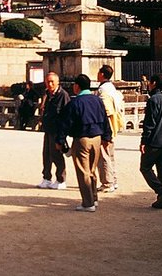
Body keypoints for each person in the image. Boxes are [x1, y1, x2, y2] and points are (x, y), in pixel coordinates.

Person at [56, 73, 112, 212]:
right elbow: (105, 119)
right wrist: (107, 137)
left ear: (77, 86)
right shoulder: (97, 100)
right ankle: (93, 197)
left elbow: (65, 124)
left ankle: (88, 203)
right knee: (92, 170)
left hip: (82, 139)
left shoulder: (75, 103)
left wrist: (60, 140)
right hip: (97, 138)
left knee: (83, 171)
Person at [139, 74, 162, 209]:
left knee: (145, 167)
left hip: (154, 141)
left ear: (153, 83)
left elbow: (149, 123)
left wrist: (144, 140)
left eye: (149, 82)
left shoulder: (153, 100)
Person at [37, 72, 69, 190]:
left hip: (57, 129)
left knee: (56, 154)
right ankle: (46, 177)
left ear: (57, 82)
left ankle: (61, 179)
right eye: (47, 81)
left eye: (52, 82)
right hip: (48, 128)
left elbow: (66, 114)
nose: (50, 84)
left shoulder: (62, 95)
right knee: (46, 154)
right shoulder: (47, 94)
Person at [95, 64, 124, 193]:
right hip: (111, 125)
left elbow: (106, 111)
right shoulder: (110, 87)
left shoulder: (103, 90)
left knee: (104, 155)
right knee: (110, 154)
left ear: (102, 74)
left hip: (105, 125)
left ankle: (107, 182)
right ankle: (113, 179)